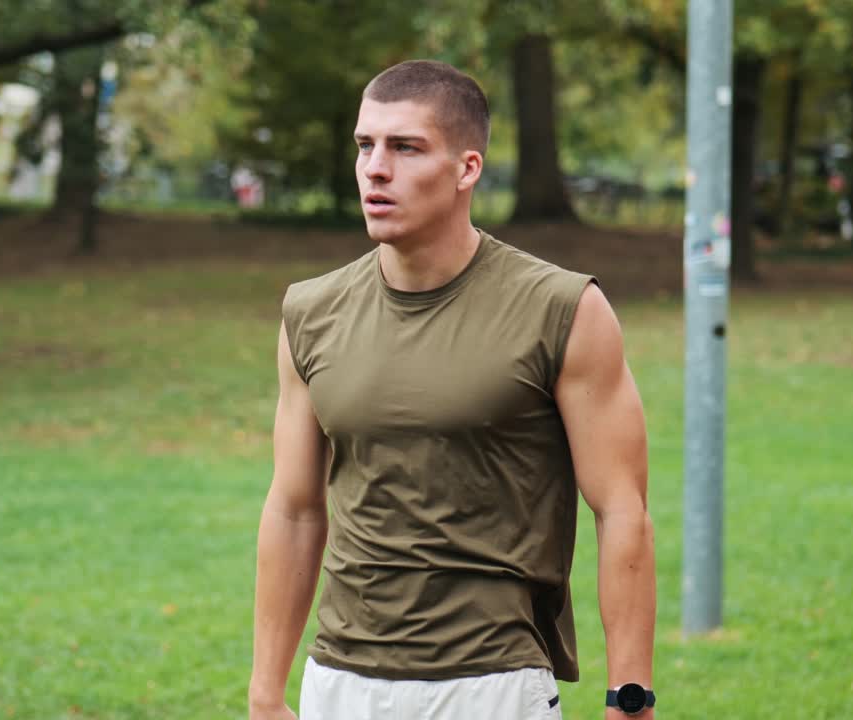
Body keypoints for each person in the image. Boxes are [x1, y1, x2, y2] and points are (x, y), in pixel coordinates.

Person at [249, 59, 656, 720]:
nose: (376, 169)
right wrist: (267, 689)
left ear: (467, 168)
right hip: (339, 682)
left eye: (405, 148)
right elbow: (294, 509)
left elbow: (622, 510)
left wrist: (630, 696)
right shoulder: (311, 312)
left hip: (492, 683)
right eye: (365, 145)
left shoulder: (562, 309)